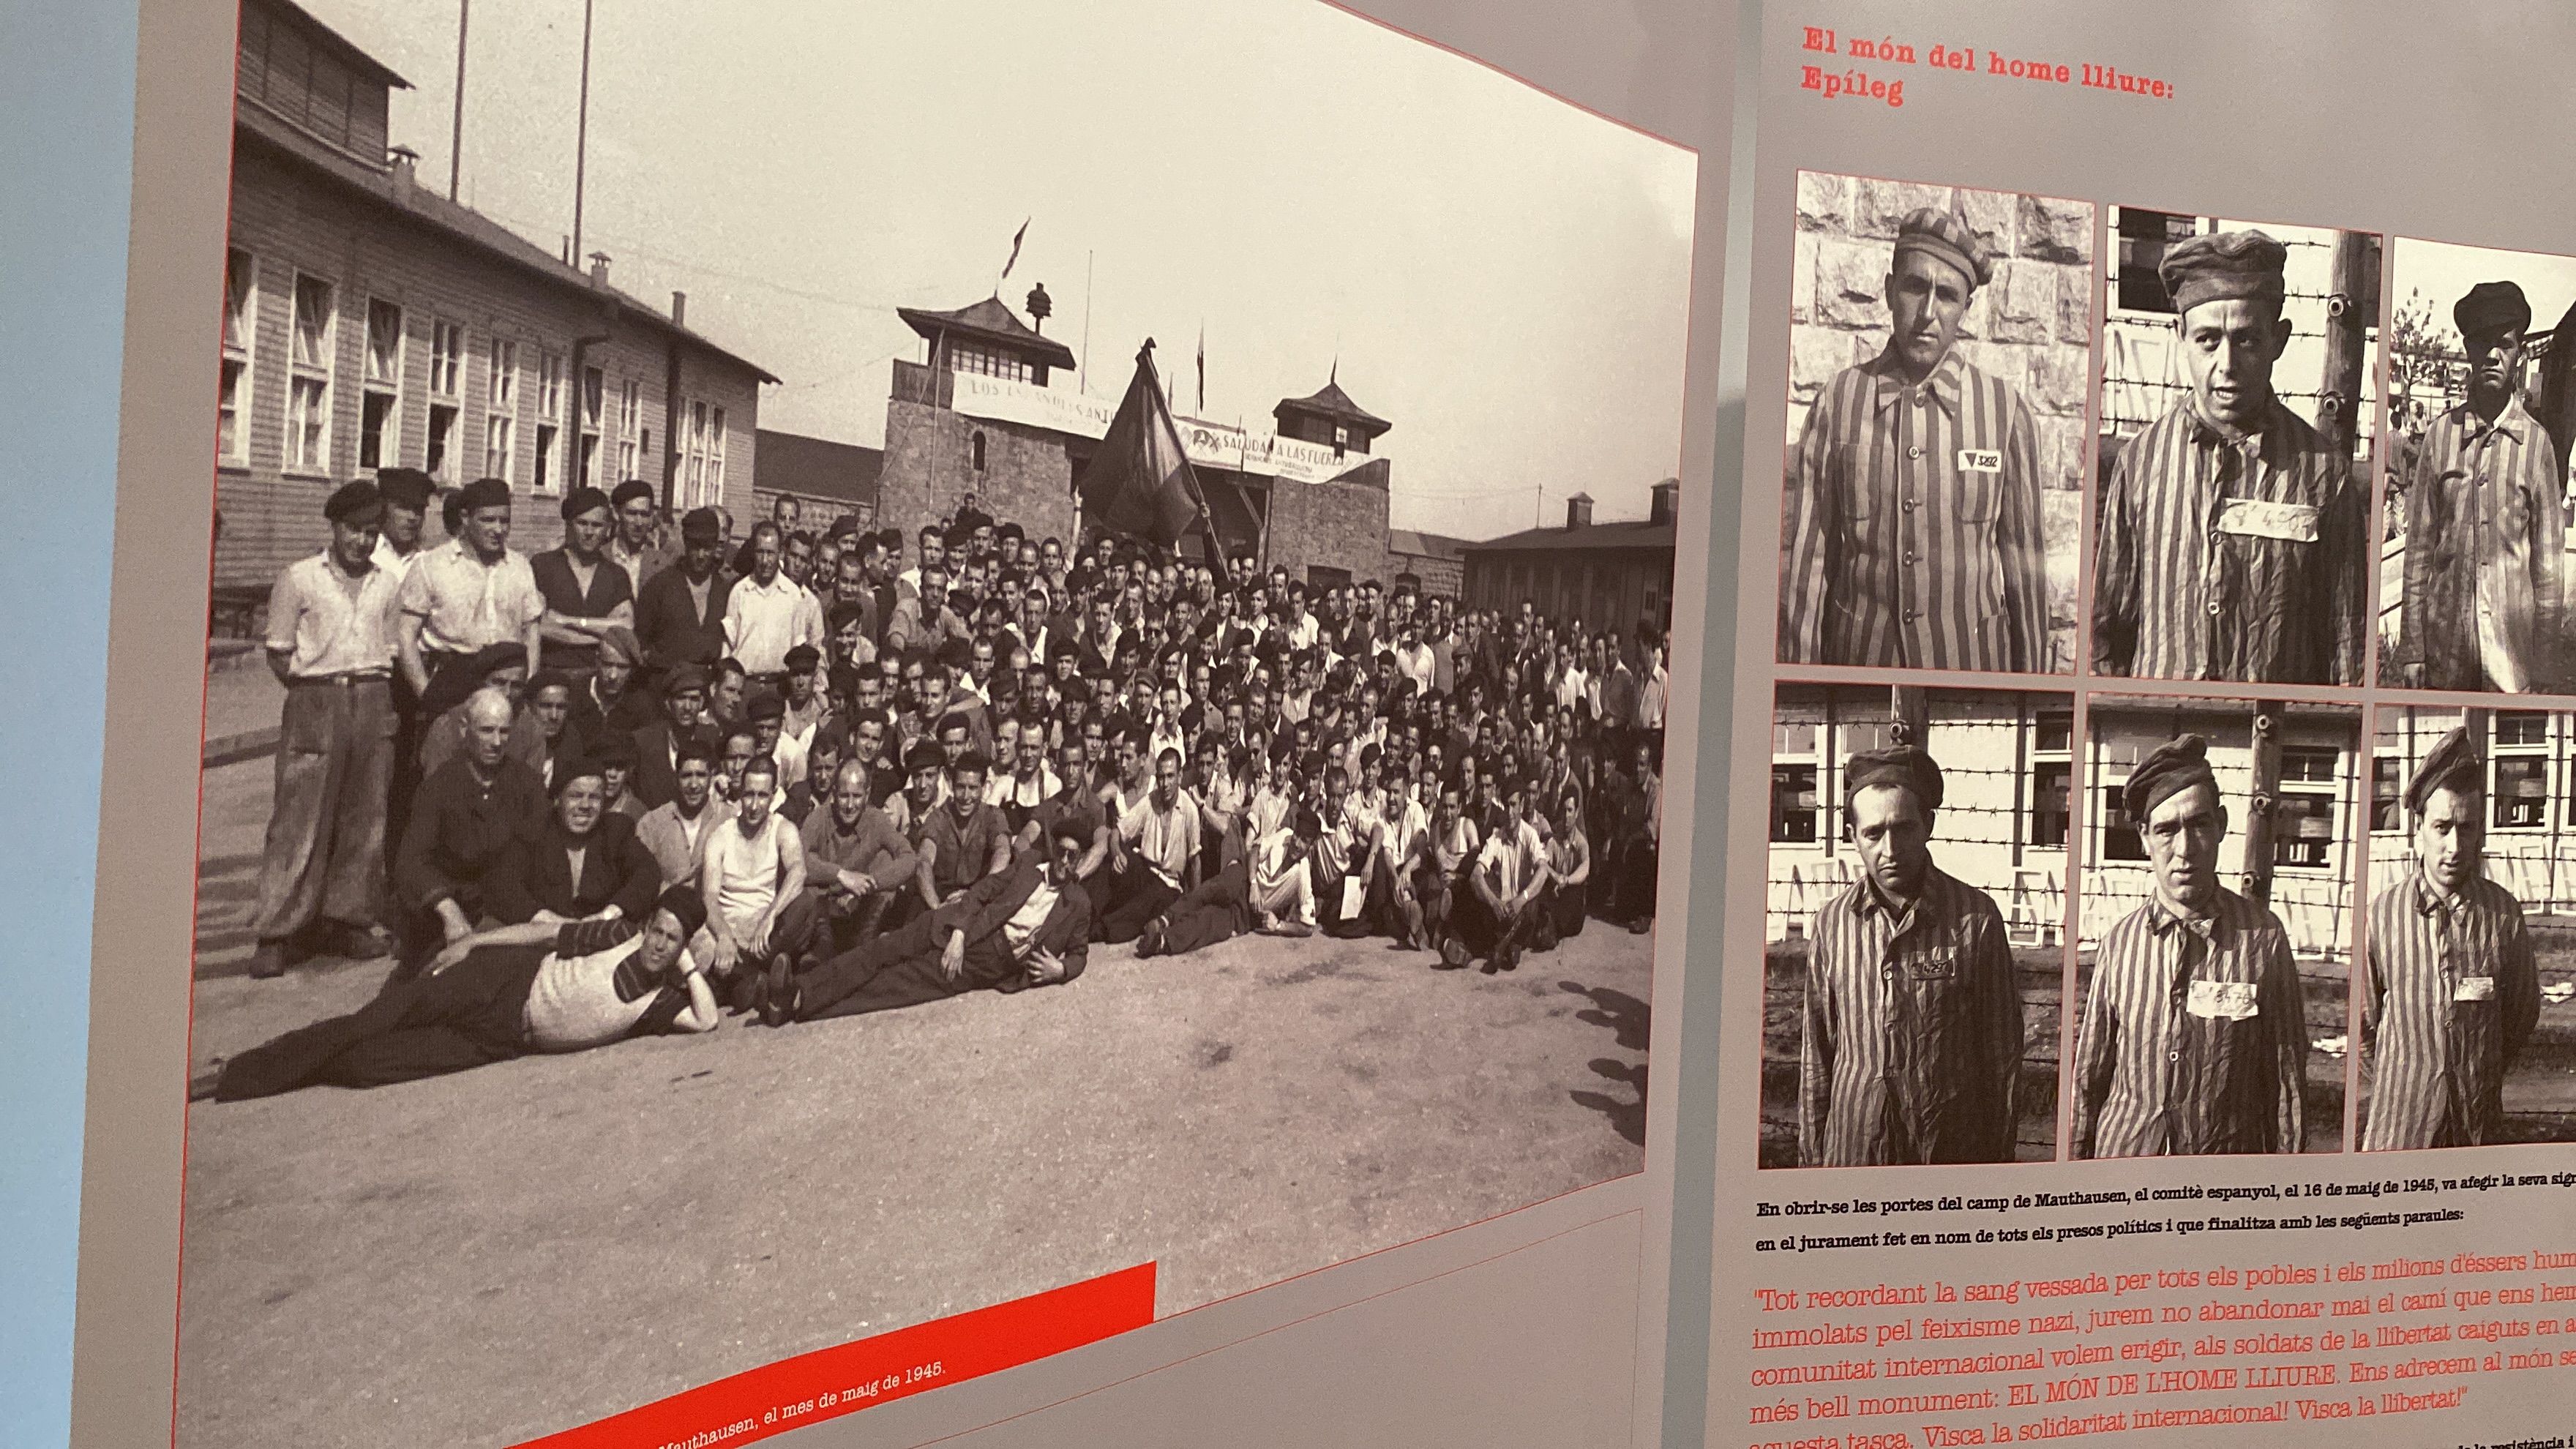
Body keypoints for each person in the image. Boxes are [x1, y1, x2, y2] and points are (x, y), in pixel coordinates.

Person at [1778, 206, 2050, 673]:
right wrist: (1802, 692)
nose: (1927, 313)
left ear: (1967, 307)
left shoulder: (2006, 413)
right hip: (1861, 674)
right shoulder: (1837, 403)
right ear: (1889, 290)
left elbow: (2027, 574)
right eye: (1914, 287)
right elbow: (1807, 568)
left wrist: (2034, 696)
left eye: (1946, 295)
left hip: (1970, 679)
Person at [2091, 229, 2367, 685]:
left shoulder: (2323, 473)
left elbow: (2347, 647)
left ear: (2278, 340)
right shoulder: (2140, 464)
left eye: (2247, 341)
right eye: (2207, 340)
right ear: (2181, 334)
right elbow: (2106, 636)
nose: (2227, 364)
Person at [194, 886, 719, 1101]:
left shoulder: (657, 1003)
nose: (658, 944)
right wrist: (474, 944)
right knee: (372, 1021)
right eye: (658, 930)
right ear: (647, 924)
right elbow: (541, 935)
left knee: (367, 1069)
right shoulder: (617, 935)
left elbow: (708, 1021)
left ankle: (293, 1068)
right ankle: (233, 1073)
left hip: (505, 1038)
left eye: (671, 940)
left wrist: (689, 964)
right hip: (502, 979)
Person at [2071, 735, 2311, 1158]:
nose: (2184, 850)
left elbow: (2286, 1080)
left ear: (2221, 824)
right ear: (2144, 837)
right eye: (2166, 830)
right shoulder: (2119, 944)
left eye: (2199, 824)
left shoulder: (2265, 939)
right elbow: (2089, 1078)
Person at [1795, 745, 2022, 1167]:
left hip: (1948, 1154)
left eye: (1903, 828)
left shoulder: (1976, 920)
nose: (1890, 849)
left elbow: (2002, 1057)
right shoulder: (1832, 925)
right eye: (1874, 833)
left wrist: (1997, 1159)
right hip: (1853, 1153)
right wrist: (1812, 1163)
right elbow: (1817, 1057)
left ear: (1928, 826)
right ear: (1853, 837)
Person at [246, 478, 403, 978]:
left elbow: (393, 646)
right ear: (334, 527)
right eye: (354, 530)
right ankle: (278, 930)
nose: (362, 541)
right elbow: (279, 650)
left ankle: (347, 920)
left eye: (371, 533)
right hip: (316, 696)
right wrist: (314, 692)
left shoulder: (386, 583)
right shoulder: (300, 579)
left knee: (366, 815)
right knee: (299, 817)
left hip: (374, 695)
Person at [2362, 727, 2541, 1150]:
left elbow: (2520, 1014)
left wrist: (2477, 1069)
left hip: (2474, 1129)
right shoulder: (2382, 916)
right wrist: (2410, 1080)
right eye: (2442, 827)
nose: (2455, 846)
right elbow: (2365, 1026)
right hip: (2400, 1130)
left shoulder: (2503, 916)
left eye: (2467, 828)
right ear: (2418, 828)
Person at [758, 818, 1092, 1027]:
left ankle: (798, 1006)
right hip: (956, 924)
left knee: (895, 986)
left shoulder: (1078, 903)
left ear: (1079, 860)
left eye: (1072, 856)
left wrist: (1060, 971)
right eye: (1061, 852)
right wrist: (959, 934)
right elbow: (980, 892)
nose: (1064, 861)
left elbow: (1079, 953)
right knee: (882, 950)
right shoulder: (1030, 866)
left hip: (989, 962)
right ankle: (796, 990)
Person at [2396, 280, 2565, 694]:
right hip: (2446, 653)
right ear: (2468, 349)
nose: (2492, 356)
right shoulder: (2440, 436)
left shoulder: (2537, 444)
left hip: (2512, 658)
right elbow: (2419, 550)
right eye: (2482, 343)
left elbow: (2548, 567)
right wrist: (2414, 648)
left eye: (2504, 345)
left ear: (2519, 354)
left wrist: (2544, 663)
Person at [392, 687, 549, 961]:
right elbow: (412, 860)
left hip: (511, 910)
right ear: (465, 730)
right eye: (487, 730)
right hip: (450, 915)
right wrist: (448, 910)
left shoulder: (527, 784)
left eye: (504, 732)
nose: (497, 742)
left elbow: (540, 852)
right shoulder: (439, 786)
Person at [397, 475, 544, 696]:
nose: (498, 529)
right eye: (488, 520)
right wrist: (426, 693)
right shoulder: (431, 566)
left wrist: (527, 686)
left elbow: (531, 633)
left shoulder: (519, 566)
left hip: (506, 683)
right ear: (465, 518)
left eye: (504, 521)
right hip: (451, 679)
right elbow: (406, 636)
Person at [485, 755, 662, 926]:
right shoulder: (534, 832)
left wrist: (609, 914)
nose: (585, 806)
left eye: (594, 797)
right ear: (557, 799)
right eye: (576, 796)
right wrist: (544, 918)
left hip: (598, 936)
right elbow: (503, 882)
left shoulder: (616, 832)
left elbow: (648, 872)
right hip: (539, 936)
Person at [697, 755, 814, 1009]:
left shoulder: (783, 829)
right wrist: (725, 936)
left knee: (806, 903)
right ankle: (760, 981)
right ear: (740, 794)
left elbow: (798, 872)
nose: (754, 805)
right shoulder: (721, 835)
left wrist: (770, 916)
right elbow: (709, 897)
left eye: (762, 796)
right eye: (748, 794)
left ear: (774, 796)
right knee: (699, 938)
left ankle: (748, 979)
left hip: (766, 938)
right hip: (729, 934)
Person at [798, 757, 916, 958]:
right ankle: (820, 951)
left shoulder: (876, 819)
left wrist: (869, 884)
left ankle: (861, 949)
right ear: (834, 793)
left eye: (857, 796)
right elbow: (797, 861)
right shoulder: (819, 817)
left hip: (859, 909)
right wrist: (840, 875)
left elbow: (909, 858)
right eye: (844, 796)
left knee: (886, 859)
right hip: (823, 910)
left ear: (867, 794)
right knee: (808, 887)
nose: (850, 805)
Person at [531, 484, 637, 681]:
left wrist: (567, 621)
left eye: (596, 525)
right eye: (582, 523)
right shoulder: (543, 566)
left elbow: (624, 629)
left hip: (599, 678)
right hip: (552, 674)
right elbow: (541, 627)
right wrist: (601, 631)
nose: (589, 532)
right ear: (569, 524)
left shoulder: (616, 575)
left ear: (606, 528)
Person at [1098, 746, 1201, 944]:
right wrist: (1117, 852)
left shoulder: (1189, 811)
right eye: (1161, 777)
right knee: (1117, 865)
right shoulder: (1150, 801)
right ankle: (1089, 914)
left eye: (1171, 777)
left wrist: (1193, 904)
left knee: (1150, 902)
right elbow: (1118, 831)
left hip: (1170, 885)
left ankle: (1104, 929)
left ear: (1180, 776)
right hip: (1146, 872)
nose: (1165, 784)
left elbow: (1195, 862)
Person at [1444, 779, 1549, 971]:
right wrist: (1493, 901)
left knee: (1533, 899)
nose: (1510, 813)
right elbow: (1476, 874)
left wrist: (1521, 899)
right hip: (1501, 913)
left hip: (1523, 914)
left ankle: (1497, 948)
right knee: (1479, 884)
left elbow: (1543, 871)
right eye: (1507, 806)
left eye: (1514, 805)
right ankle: (1505, 949)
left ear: (1522, 805)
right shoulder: (1496, 838)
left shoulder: (1530, 835)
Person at [724, 520, 825, 690]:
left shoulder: (793, 595)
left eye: (770, 553)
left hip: (779, 686)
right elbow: (728, 647)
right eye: (760, 552)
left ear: (780, 553)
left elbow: (797, 647)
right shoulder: (739, 592)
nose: (765, 560)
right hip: (745, 685)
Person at [634, 506, 734, 670]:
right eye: (695, 547)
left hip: (706, 687)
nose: (701, 555)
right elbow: (641, 643)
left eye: (707, 547)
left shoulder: (725, 590)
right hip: (665, 685)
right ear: (686, 543)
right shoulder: (660, 586)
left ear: (716, 544)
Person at [634, 738, 730, 888]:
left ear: (711, 777)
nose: (693, 785)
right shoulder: (652, 823)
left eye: (701, 775)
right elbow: (640, 879)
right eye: (686, 776)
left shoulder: (727, 818)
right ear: (676, 777)